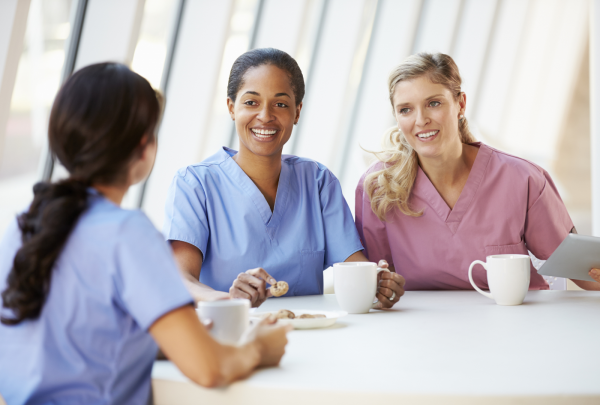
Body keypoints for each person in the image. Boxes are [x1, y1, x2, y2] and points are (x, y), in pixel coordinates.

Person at [0, 63, 291, 405]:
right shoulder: (127, 233)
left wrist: (170, 339)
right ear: (144, 146)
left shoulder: (26, 224)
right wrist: (259, 348)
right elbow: (209, 369)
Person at [163, 48, 406, 307]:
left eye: (280, 104)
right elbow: (181, 281)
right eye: (251, 102)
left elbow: (354, 267)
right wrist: (229, 300)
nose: (266, 116)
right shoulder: (194, 184)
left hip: (310, 333)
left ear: (297, 112)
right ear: (231, 107)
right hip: (232, 335)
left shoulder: (318, 182)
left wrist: (379, 281)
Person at [355, 52, 600, 291]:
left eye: (434, 103)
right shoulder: (378, 187)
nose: (420, 120)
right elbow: (374, 283)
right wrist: (380, 289)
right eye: (405, 109)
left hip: (516, 325)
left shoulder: (522, 179)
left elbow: (581, 271)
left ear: (460, 104)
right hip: (420, 329)